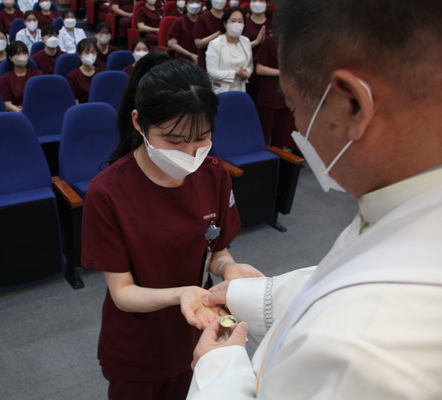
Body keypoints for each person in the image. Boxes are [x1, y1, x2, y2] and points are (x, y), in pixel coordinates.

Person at [187, 1, 442, 398]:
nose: (297, 128)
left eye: (294, 107)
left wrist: (218, 368)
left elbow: (353, 305)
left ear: (351, 104)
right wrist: (245, 295)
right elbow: (349, 268)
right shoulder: (405, 202)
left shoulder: (357, 349)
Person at [82, 55, 263, 400]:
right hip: (138, 345)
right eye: (174, 140)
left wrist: (229, 268)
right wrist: (179, 293)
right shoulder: (108, 192)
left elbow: (216, 250)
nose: (189, 153)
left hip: (197, 329)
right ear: (139, 123)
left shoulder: (214, 174)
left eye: (201, 138)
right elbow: (122, 292)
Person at [254, 34, 295, 149]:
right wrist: (282, 73)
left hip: (288, 98)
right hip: (269, 97)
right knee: (263, 138)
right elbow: (260, 69)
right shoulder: (270, 41)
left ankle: (277, 164)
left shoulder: (297, 43)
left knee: (280, 140)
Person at [205, 6, 253, 93]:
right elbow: (212, 72)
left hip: (240, 89)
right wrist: (235, 73)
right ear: (225, 23)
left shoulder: (245, 41)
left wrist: (247, 72)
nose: (237, 24)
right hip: (221, 90)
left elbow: (249, 65)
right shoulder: (215, 44)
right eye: (233, 21)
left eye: (240, 21)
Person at [0, 40, 42, 111]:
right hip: (17, 113)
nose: (22, 56)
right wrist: (18, 110)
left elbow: (42, 96)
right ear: (11, 58)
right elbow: (6, 103)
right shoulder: (6, 78)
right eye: (18, 54)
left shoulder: (37, 75)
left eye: (24, 53)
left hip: (36, 110)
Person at [241, 0, 270, 101]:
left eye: (261, 0)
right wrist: (256, 42)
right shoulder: (243, 23)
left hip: (267, 75)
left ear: (267, 3)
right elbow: (236, 46)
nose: (257, 3)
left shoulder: (272, 23)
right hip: (246, 73)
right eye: (254, 0)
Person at [192, 0, 226, 70]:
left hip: (226, 61)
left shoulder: (230, 17)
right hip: (207, 61)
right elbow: (198, 43)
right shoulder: (202, 18)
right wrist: (219, 33)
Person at [66, 37, 100, 104]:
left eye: (93, 52)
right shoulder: (73, 76)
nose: (90, 55)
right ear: (79, 55)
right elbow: (75, 100)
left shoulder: (100, 73)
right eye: (87, 52)